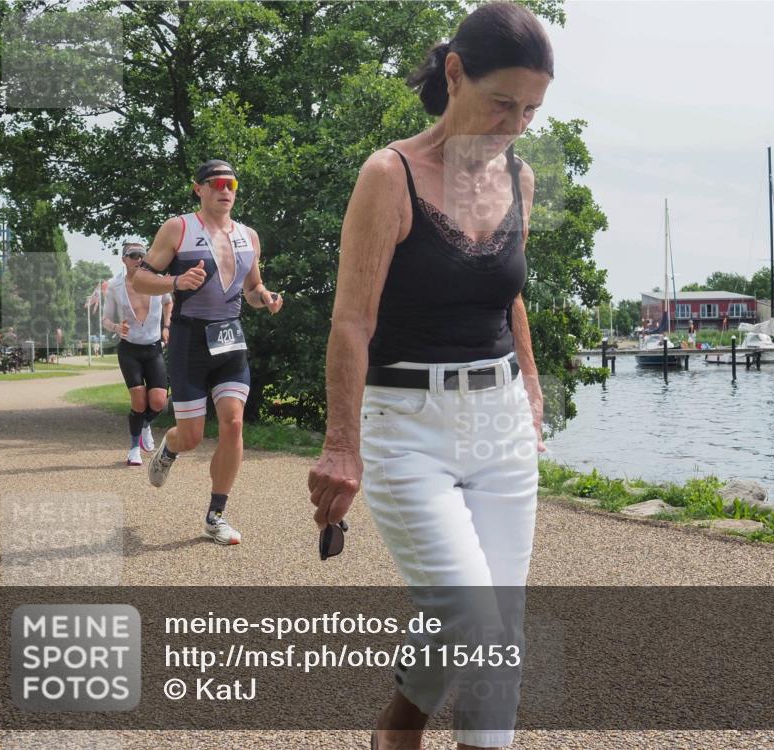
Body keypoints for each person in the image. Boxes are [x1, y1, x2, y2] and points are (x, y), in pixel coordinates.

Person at [307, 4, 552, 749]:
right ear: (455, 75)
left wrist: (533, 393)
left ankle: (401, 733)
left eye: (532, 110)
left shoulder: (522, 178)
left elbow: (508, 295)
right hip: (407, 427)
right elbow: (352, 320)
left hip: (501, 421)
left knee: (496, 634)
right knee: (468, 612)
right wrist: (340, 446)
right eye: (502, 102)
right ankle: (399, 729)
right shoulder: (390, 176)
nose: (515, 123)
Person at [133, 159, 283, 545]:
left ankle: (216, 515)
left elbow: (252, 289)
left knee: (233, 423)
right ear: (198, 188)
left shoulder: (249, 236)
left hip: (230, 339)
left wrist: (264, 297)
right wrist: (177, 280)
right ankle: (170, 447)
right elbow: (141, 278)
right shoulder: (179, 228)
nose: (225, 190)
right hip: (189, 341)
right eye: (216, 183)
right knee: (193, 436)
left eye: (231, 183)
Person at [102, 241, 173, 466]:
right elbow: (105, 319)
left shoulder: (158, 282)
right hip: (129, 349)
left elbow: (168, 302)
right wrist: (116, 328)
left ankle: (144, 425)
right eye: (132, 255)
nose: (138, 259)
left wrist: (166, 326)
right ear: (124, 259)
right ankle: (134, 449)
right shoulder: (115, 286)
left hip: (153, 347)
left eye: (142, 255)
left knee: (159, 400)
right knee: (139, 401)